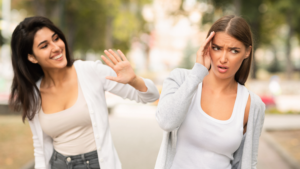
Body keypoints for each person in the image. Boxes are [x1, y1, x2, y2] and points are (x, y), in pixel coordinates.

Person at [9, 16, 159, 169]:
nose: (56, 47)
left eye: (56, 38)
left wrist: (134, 80)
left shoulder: (90, 71)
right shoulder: (33, 94)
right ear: (32, 57)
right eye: (44, 46)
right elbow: (41, 147)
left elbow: (151, 96)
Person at [155, 15, 265, 169]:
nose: (223, 58)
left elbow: (246, 163)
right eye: (217, 48)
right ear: (207, 46)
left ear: (247, 52)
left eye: (234, 51)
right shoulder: (181, 79)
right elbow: (166, 122)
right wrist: (197, 74)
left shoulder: (251, 105)